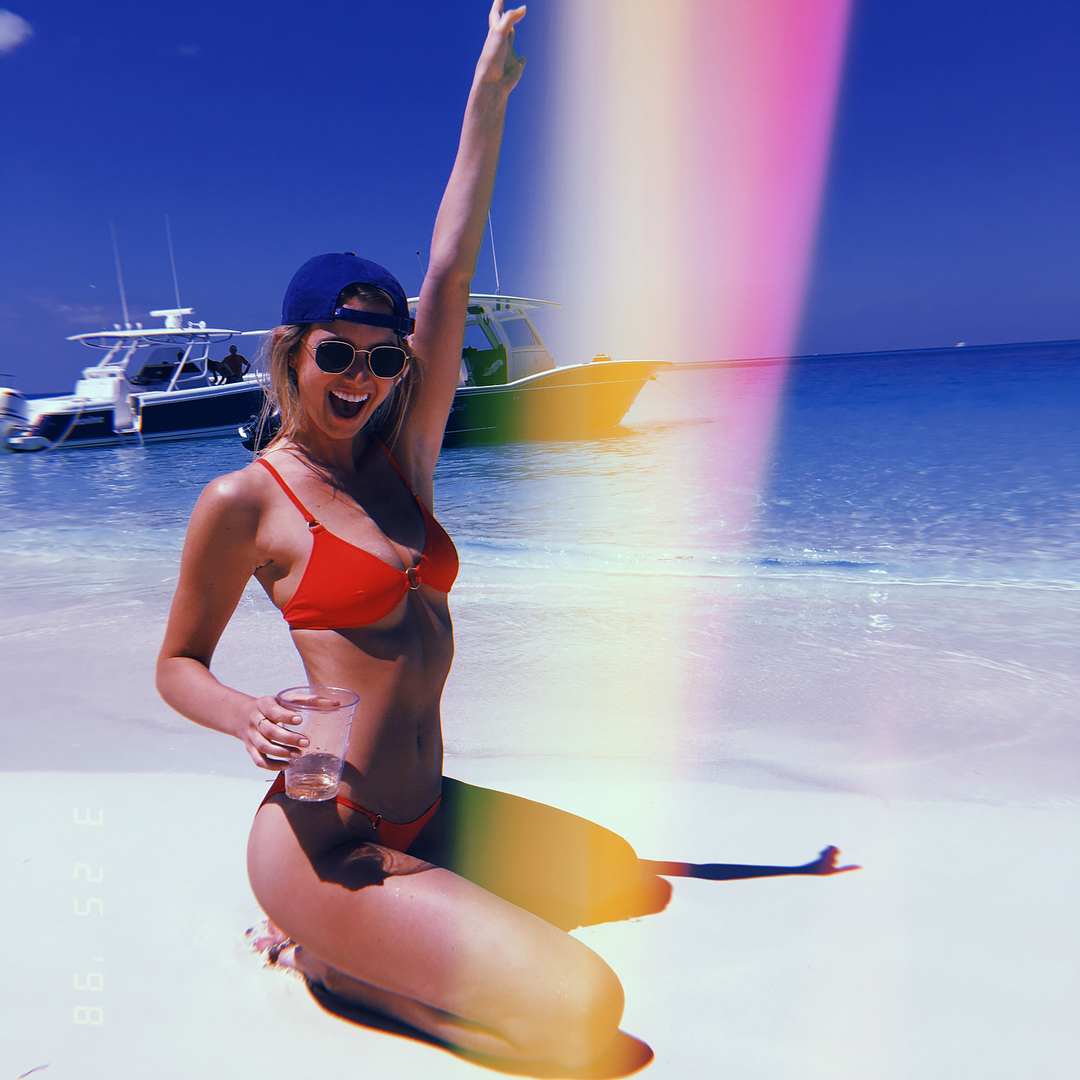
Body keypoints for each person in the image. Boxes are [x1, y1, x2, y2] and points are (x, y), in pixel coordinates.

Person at [157, 5, 854, 1071]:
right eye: (337, 353)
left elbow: (448, 272)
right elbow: (177, 665)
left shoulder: (405, 464)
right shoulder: (243, 501)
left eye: (384, 359)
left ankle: (385, 931)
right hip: (328, 837)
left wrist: (488, 93)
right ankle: (330, 961)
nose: (361, 377)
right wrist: (247, 714)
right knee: (586, 1011)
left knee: (627, 876)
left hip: (429, 807)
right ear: (292, 352)